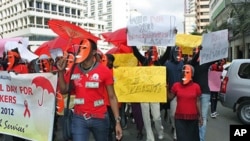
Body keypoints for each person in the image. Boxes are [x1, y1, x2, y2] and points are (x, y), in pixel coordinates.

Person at [56, 39, 122, 141]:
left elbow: (112, 96)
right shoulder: (74, 69)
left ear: (94, 52)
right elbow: (64, 90)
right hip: (79, 118)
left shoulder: (104, 71)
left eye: (85, 48)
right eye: (81, 48)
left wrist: (117, 122)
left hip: (100, 118)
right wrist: (60, 72)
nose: (81, 51)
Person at [131, 46, 169, 141]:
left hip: (155, 94)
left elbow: (168, 53)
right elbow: (136, 53)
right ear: (148, 53)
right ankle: (150, 137)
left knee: (156, 117)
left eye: (154, 52)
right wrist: (132, 41)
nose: (152, 54)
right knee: (146, 116)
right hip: (144, 93)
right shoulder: (144, 61)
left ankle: (160, 131)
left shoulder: (160, 62)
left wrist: (171, 40)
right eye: (151, 52)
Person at [168, 64, 202, 141]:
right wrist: (166, 89)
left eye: (187, 72)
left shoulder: (196, 87)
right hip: (180, 119)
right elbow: (170, 98)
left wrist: (200, 116)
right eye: (183, 72)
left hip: (193, 119)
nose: (184, 74)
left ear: (192, 74)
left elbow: (198, 102)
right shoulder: (176, 85)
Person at [188, 46, 215, 141]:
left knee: (203, 117)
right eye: (194, 51)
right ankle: (195, 136)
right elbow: (194, 59)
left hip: (205, 94)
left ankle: (201, 139)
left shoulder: (206, 63)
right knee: (195, 116)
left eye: (197, 51)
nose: (196, 53)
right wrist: (200, 51)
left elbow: (216, 57)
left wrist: (224, 44)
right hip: (195, 94)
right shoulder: (192, 64)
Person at [165, 46, 184, 141]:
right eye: (176, 52)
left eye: (180, 52)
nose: (178, 54)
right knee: (173, 114)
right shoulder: (167, 64)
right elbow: (165, 78)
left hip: (182, 93)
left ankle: (177, 133)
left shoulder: (183, 63)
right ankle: (174, 125)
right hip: (173, 93)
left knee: (179, 114)